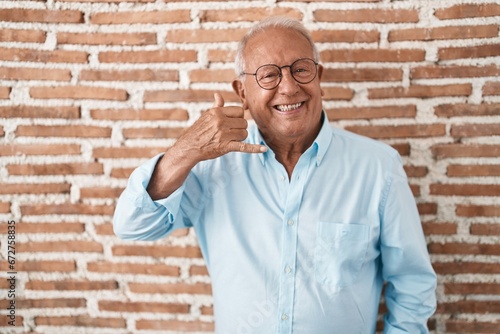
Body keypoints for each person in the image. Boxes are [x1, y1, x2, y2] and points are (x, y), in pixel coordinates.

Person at [113, 16, 437, 334]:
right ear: (242, 92)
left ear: (318, 76)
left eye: (301, 69)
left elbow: (412, 282)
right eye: (268, 75)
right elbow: (132, 225)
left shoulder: (378, 167)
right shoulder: (212, 168)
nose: (289, 86)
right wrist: (186, 150)